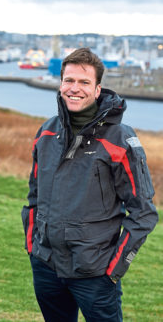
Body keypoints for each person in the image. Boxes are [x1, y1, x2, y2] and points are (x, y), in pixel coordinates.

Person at [21, 47, 158, 322]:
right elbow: (34, 197)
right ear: (60, 84)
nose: (75, 88)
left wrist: (114, 270)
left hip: (95, 275)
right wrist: (33, 248)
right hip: (46, 266)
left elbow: (144, 213)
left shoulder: (119, 139)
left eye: (84, 82)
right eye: (69, 80)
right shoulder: (46, 132)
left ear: (97, 89)